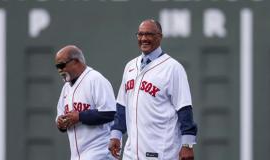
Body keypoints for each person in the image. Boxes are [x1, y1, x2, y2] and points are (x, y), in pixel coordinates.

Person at [109, 19, 198, 160]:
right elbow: (122, 106)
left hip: (162, 151)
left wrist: (187, 145)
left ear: (159, 37)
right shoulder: (130, 66)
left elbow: (184, 108)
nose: (144, 38)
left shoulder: (173, 68)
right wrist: (116, 135)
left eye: (149, 34)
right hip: (131, 152)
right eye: (140, 34)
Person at [54, 45, 116, 160]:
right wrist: (61, 123)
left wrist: (80, 116)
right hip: (77, 155)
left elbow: (110, 113)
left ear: (76, 61)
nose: (59, 70)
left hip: (100, 153)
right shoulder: (66, 88)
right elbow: (60, 118)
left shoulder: (95, 79)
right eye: (57, 67)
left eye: (62, 65)